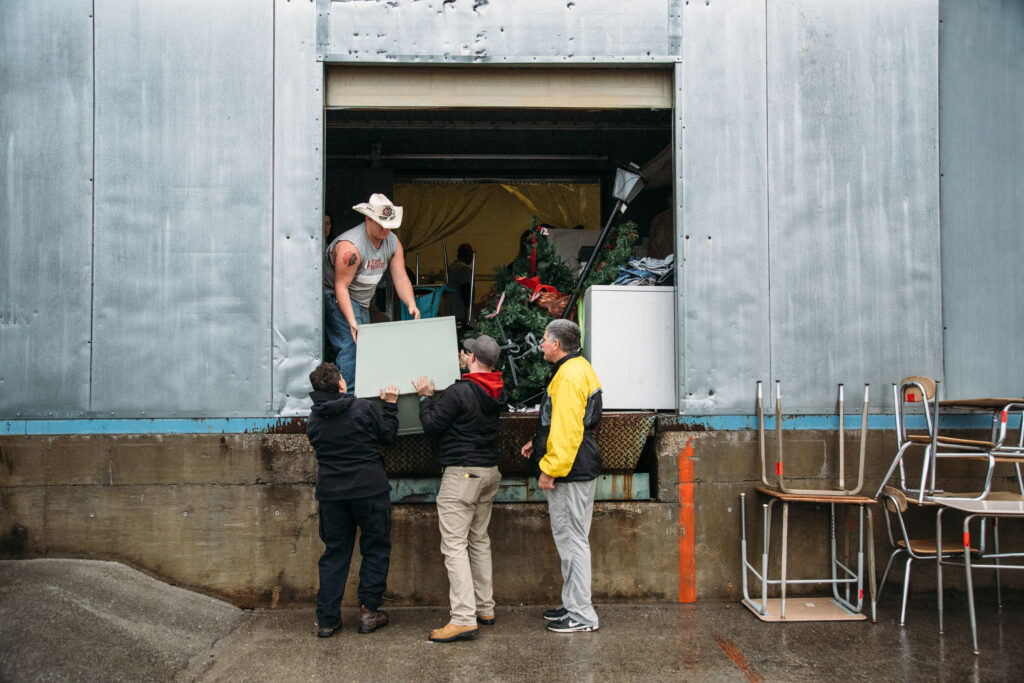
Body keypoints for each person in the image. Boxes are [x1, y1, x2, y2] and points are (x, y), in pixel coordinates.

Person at [413, 334, 506, 643]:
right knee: (479, 540)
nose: (463, 356)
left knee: (454, 546)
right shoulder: (497, 389)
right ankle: (485, 608)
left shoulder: (459, 392)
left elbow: (431, 426)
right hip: (489, 473)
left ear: (474, 359)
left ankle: (464, 618)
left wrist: (425, 398)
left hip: (463, 475)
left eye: (467, 354)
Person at [306, 361, 400, 638]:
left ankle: (327, 619)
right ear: (342, 385)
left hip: (331, 496)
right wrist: (391, 406)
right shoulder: (363, 409)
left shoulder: (313, 420)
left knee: (334, 553)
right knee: (375, 548)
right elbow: (389, 436)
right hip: (369, 490)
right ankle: (369, 612)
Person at [520, 319, 602, 633]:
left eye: (544, 339)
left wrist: (549, 469)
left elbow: (568, 429)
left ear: (556, 344)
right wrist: (538, 442)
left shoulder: (567, 376)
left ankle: (581, 615)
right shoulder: (579, 367)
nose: (541, 344)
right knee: (573, 542)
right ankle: (573, 605)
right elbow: (572, 422)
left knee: (572, 543)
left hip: (569, 470)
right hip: (581, 464)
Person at [324, 193, 420, 391]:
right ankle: (348, 399)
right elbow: (340, 286)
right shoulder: (351, 248)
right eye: (380, 223)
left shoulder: (392, 242)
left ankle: (363, 398)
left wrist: (411, 303)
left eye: (389, 223)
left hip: (362, 301)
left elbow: (400, 276)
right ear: (368, 218)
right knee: (351, 347)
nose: (385, 229)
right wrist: (351, 321)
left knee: (366, 348)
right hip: (338, 297)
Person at [447, 243, 474, 324]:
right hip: (459, 311)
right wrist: (468, 309)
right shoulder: (464, 268)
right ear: (468, 255)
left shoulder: (451, 267)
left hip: (449, 309)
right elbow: (465, 289)